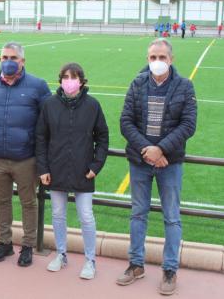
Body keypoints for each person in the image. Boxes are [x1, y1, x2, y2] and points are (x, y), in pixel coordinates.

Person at [116, 38, 197, 296]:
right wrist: (148, 150)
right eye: (153, 58)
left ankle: (170, 269)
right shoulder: (137, 83)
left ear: (171, 59)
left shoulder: (184, 86)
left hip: (169, 163)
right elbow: (126, 121)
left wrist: (161, 149)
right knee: (138, 214)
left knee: (171, 217)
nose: (157, 62)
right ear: (147, 59)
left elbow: (188, 125)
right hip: (140, 161)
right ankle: (136, 265)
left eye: (162, 57)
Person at [0, 42, 51, 267]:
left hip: (26, 159)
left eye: (13, 57)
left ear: (22, 61)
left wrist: (42, 159)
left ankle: (27, 246)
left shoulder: (38, 86)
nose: (8, 61)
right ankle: (5, 242)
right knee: (2, 201)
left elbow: (47, 124)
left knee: (29, 203)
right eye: (4, 57)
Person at [36, 62, 108, 280]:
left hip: (83, 171)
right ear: (60, 81)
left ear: (82, 81)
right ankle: (61, 254)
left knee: (86, 216)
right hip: (55, 170)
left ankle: (90, 260)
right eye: (65, 77)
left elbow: (102, 138)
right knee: (58, 215)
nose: (69, 81)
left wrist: (96, 166)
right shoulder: (49, 105)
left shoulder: (93, 105)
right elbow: (41, 138)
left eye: (73, 77)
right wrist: (43, 168)